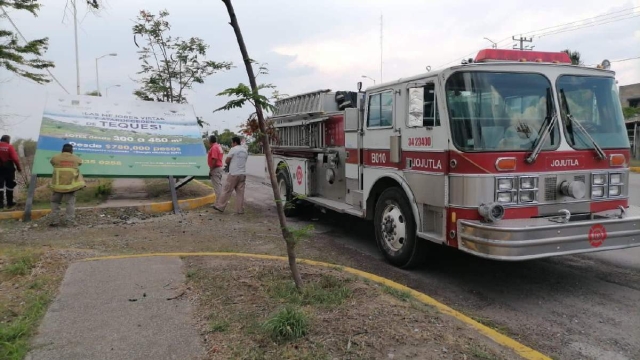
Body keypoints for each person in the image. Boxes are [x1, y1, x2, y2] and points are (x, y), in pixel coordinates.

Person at [49, 144, 85, 226]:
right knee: (70, 203)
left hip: (57, 187)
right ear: (71, 151)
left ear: (62, 150)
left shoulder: (55, 158)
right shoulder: (76, 159)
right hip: (70, 187)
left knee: (55, 203)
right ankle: (70, 222)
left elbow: (52, 162)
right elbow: (80, 163)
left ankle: (55, 221)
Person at [212, 136, 248, 214]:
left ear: (235, 142)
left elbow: (227, 160)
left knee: (227, 190)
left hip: (234, 173)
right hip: (243, 174)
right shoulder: (245, 150)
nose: (231, 144)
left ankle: (220, 206)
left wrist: (229, 164)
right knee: (240, 193)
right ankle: (240, 210)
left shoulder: (233, 149)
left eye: (232, 142)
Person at [0, 135, 22, 210]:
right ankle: (9, 203)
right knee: (9, 185)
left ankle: (0, 204)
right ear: (7, 140)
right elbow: (15, 159)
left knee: (0, 187)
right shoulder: (9, 147)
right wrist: (18, 168)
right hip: (8, 168)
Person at [207, 135, 224, 200]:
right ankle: (219, 203)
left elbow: (214, 159)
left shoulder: (214, 147)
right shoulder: (218, 146)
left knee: (217, 187)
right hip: (218, 168)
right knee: (219, 185)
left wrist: (211, 169)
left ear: (210, 141)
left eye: (208, 140)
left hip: (215, 168)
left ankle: (219, 204)